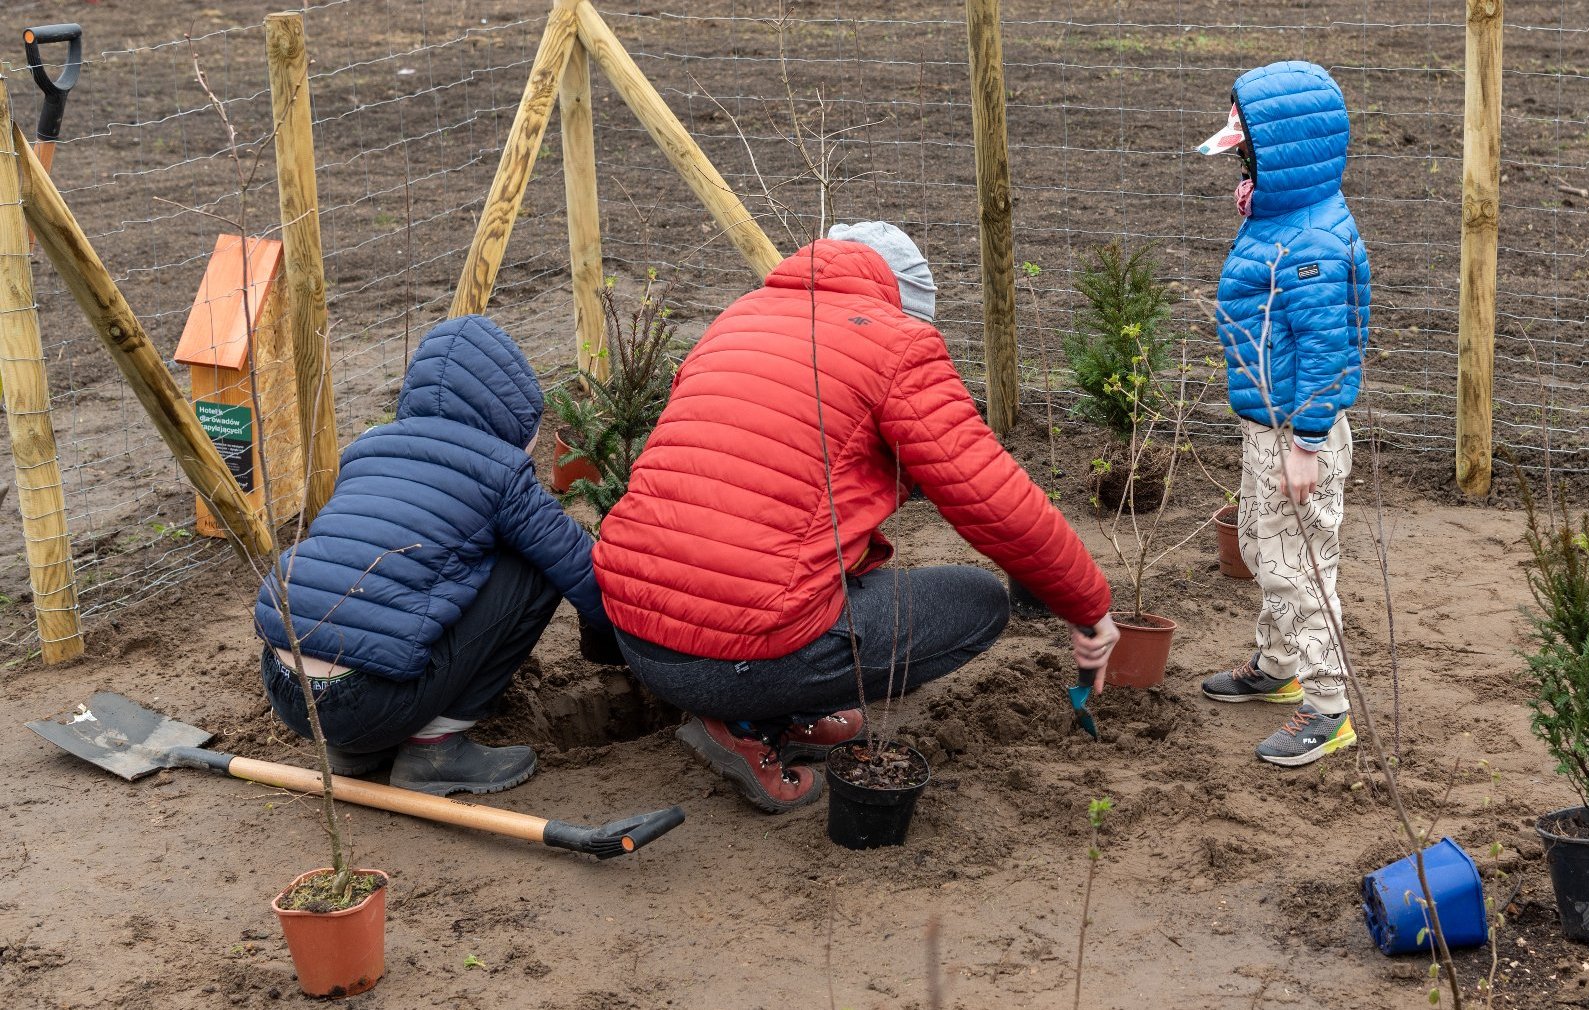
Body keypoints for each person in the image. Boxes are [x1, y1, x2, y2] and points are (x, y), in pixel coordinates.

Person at [594, 221, 1119, 813]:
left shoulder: (740, 315)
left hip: (635, 631)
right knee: (975, 601)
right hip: (740, 657)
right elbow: (994, 500)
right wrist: (1089, 609)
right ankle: (752, 725)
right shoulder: (898, 345)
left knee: (802, 558)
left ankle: (772, 708)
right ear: (903, 303)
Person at [254, 314, 612, 796]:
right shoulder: (499, 472)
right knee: (535, 566)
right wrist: (619, 649)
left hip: (286, 690)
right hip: (368, 702)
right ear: (513, 408)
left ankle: (354, 748)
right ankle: (434, 747)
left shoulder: (366, 450)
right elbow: (579, 569)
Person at [1192, 61, 1371, 766]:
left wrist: (1307, 442)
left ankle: (1328, 708)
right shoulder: (1285, 220)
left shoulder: (1312, 245)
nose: (1239, 165)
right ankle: (1277, 664)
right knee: (1268, 551)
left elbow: (1329, 350)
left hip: (1298, 430)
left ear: (1286, 151)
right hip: (1268, 422)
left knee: (1300, 567)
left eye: (1248, 153)